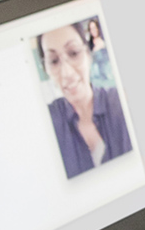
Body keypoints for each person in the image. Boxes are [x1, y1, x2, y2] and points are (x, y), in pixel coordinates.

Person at [39, 21, 133, 179]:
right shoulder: (47, 121)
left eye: (74, 53)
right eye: (54, 61)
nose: (66, 73)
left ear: (88, 55)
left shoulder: (121, 102)